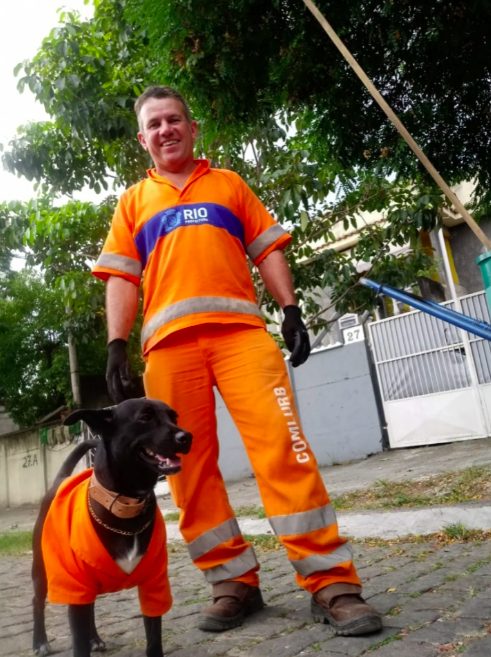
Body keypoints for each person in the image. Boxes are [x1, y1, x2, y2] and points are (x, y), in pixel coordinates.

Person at [92, 85, 382, 637]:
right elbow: (122, 278)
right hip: (169, 350)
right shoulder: (133, 203)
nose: (165, 130)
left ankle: (331, 582)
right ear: (142, 139)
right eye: (154, 124)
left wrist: (290, 309)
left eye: (174, 119)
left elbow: (268, 248)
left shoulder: (228, 185)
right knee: (186, 472)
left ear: (192, 127)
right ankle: (232, 582)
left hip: (243, 338)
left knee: (285, 452)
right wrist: (115, 344)